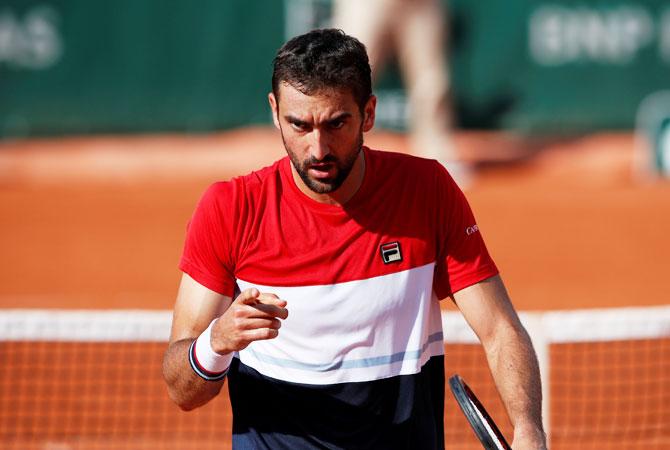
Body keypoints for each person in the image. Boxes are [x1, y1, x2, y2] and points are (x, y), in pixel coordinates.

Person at [162, 29, 546, 449]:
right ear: (275, 112)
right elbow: (182, 391)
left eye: (335, 123)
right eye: (299, 125)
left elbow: (499, 329)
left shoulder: (427, 192)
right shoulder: (230, 208)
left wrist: (528, 428)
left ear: (368, 113)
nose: (318, 149)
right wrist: (215, 342)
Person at [332, 0, 469, 185]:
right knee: (346, 76)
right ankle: (334, 153)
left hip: (420, 5)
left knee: (431, 81)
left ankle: (437, 159)